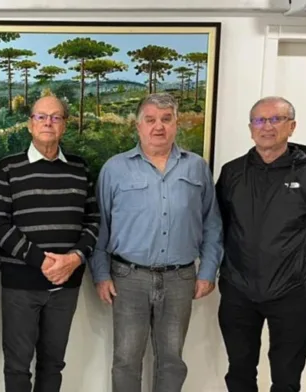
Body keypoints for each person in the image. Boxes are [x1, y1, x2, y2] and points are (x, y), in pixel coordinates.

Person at [90, 92, 223, 392]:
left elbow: (212, 223)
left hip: (180, 278)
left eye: (166, 119)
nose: (158, 127)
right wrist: (100, 274)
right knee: (126, 360)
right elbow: (100, 226)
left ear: (177, 124)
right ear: (138, 126)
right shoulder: (115, 169)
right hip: (127, 278)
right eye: (150, 120)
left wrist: (208, 271)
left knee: (172, 360)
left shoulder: (197, 167)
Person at [216, 96, 306, 392]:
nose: (267, 127)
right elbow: (218, 225)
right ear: (250, 128)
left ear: (292, 126)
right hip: (238, 288)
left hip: (292, 290)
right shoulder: (232, 172)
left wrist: (298, 264)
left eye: (276, 119)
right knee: (239, 370)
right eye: (260, 120)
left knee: (287, 374)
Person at [0, 95, 100, 392]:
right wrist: (44, 262)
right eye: (41, 117)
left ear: (64, 125)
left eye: (55, 117)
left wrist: (73, 259)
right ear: (29, 124)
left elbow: (93, 221)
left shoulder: (81, 169)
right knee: (17, 365)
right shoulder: (7, 168)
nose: (48, 123)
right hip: (20, 286)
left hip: (66, 285)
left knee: (53, 364)